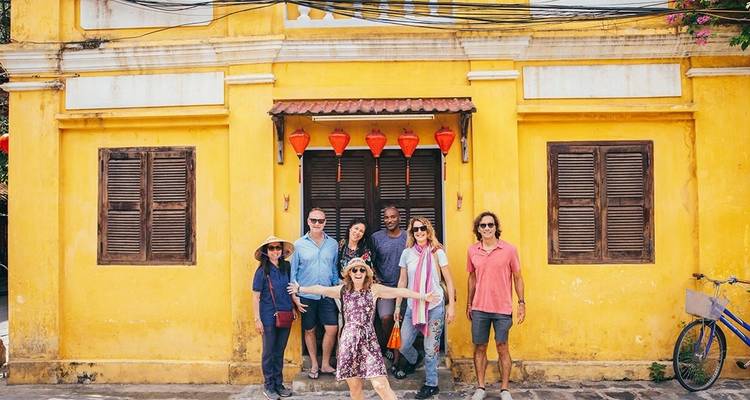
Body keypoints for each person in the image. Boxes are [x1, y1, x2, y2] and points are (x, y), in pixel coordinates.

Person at [287, 257, 437, 400]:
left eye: (361, 270)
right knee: (355, 388)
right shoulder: (342, 290)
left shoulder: (374, 289)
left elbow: (400, 291)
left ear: (366, 273)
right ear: (349, 273)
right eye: (354, 270)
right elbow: (320, 289)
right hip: (348, 343)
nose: (358, 273)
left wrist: (423, 296)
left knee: (381, 384)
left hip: (368, 342)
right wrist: (300, 288)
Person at [394, 217, 457, 399]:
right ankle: (415, 359)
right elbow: (403, 281)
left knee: (431, 348)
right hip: (413, 306)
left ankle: (432, 384)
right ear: (412, 233)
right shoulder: (407, 253)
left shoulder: (438, 252)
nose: (419, 232)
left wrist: (451, 306)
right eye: (415, 230)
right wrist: (398, 305)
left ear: (428, 231)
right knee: (404, 344)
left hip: (435, 306)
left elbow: (449, 281)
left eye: (422, 228)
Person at [466, 211, 525, 400]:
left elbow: (517, 277)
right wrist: (469, 303)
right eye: (483, 225)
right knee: (480, 347)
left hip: (502, 308)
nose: (487, 228)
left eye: (490, 225)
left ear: (496, 227)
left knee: (502, 347)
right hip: (479, 307)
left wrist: (521, 303)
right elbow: (472, 278)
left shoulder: (509, 250)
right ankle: (481, 387)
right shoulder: (472, 250)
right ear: (478, 229)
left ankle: (505, 389)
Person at [290, 208, 339, 379]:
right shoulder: (298, 244)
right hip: (306, 295)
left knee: (332, 328)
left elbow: (333, 269)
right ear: (308, 221)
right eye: (313, 220)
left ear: (325, 222)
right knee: (309, 330)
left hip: (327, 294)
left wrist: (338, 288)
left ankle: (325, 363)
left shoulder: (333, 244)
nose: (317, 223)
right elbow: (293, 273)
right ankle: (314, 364)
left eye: (320, 221)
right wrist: (294, 297)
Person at [252, 235, 297, 400]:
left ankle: (279, 384)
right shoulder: (262, 271)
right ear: (266, 251)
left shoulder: (287, 267)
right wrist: (257, 319)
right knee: (269, 352)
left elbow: (290, 290)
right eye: (271, 248)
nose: (275, 251)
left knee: (279, 351)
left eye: (278, 248)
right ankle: (269, 386)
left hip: (286, 313)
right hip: (267, 315)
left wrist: (293, 307)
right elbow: (256, 296)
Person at [370, 206, 407, 361]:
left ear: (399, 218)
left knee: (403, 321)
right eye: (386, 217)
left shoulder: (408, 237)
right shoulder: (376, 238)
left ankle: (400, 357)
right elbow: (370, 260)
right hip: (384, 286)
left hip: (405, 287)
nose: (389, 220)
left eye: (393, 217)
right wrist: (376, 277)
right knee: (386, 318)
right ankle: (389, 346)